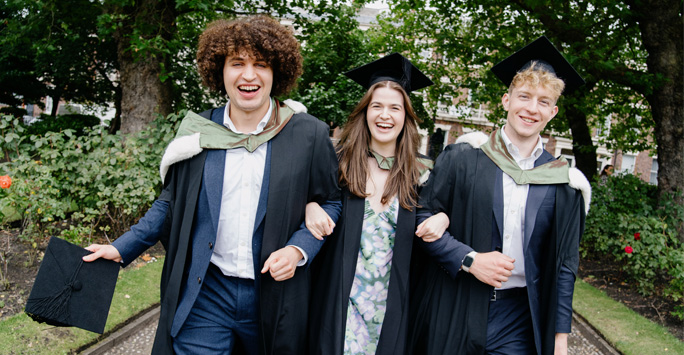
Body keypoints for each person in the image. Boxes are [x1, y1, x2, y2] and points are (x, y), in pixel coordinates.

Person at [82, 15, 341, 354]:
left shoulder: (308, 134)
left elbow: (331, 201)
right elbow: (171, 202)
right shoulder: (198, 132)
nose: (248, 75)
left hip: (275, 297)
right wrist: (122, 247)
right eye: (237, 63)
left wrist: (299, 248)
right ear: (220, 70)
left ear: (276, 72)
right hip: (208, 293)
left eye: (260, 64)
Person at [408, 36, 592, 355]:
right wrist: (470, 259)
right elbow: (420, 215)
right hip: (455, 302)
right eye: (524, 96)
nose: (532, 108)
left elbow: (565, 265)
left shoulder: (565, 182)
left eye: (543, 101)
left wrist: (560, 340)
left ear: (554, 111)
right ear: (506, 100)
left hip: (517, 317)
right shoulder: (463, 157)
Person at [305, 53, 448, 355]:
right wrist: (310, 206)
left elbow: (433, 220)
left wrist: (443, 218)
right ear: (365, 111)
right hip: (338, 302)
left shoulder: (422, 174)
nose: (385, 115)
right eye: (377, 106)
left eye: (395, 107)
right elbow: (309, 199)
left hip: (390, 307)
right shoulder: (338, 163)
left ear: (406, 116)